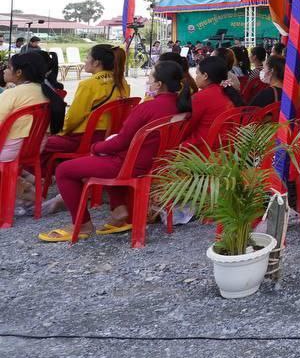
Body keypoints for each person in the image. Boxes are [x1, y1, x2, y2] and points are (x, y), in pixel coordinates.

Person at [38, 60, 187, 242]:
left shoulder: (147, 107)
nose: (147, 81)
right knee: (105, 156)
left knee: (64, 170)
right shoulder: (182, 106)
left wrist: (95, 147)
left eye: (150, 77)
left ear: (159, 84)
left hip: (132, 165)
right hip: (159, 164)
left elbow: (120, 142)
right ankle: (119, 211)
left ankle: (83, 224)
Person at [40, 44, 127, 179]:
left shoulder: (88, 84)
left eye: (87, 57)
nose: (85, 61)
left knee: (37, 143)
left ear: (96, 62)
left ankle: (45, 176)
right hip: (109, 138)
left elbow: (73, 118)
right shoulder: (122, 82)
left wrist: (58, 131)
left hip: (84, 138)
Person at [0, 52, 64, 164]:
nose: (4, 70)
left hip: (7, 151)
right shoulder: (46, 92)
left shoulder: (11, 94)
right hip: (35, 148)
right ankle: (17, 174)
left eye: (8, 67)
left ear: (19, 72)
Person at [179, 55, 242, 151]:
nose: (196, 77)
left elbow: (188, 128)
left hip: (204, 148)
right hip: (227, 147)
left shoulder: (201, 97)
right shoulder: (227, 90)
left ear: (205, 76)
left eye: (197, 73)